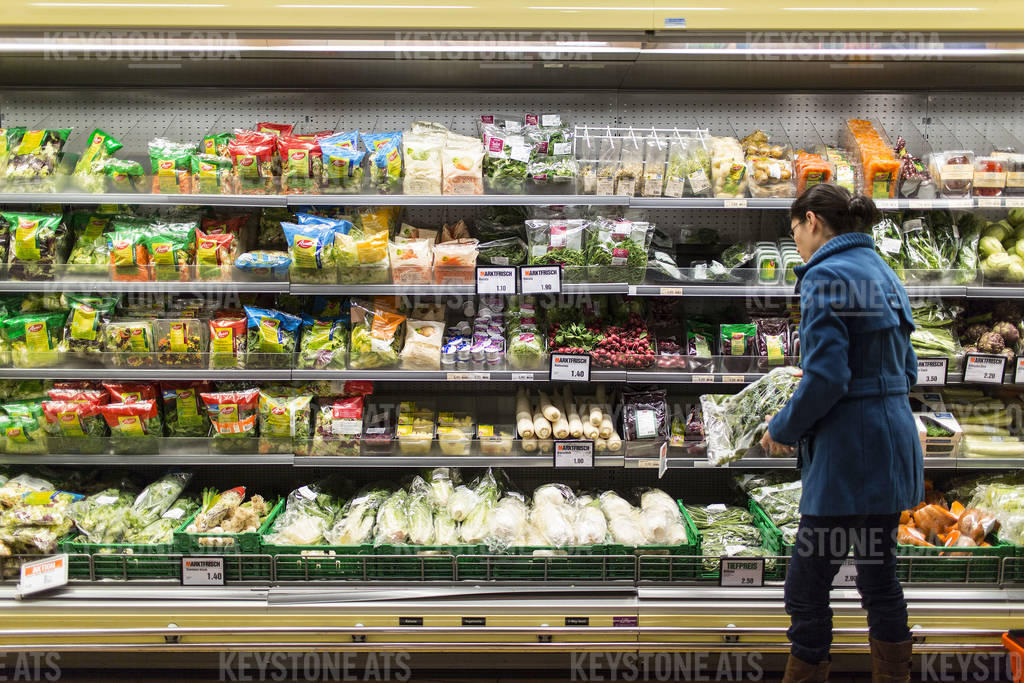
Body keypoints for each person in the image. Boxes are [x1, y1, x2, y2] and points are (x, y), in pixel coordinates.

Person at [760, 184, 924, 683]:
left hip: (851, 453)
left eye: (794, 231)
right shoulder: (884, 272)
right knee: (879, 579)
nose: (797, 243)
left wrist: (783, 426)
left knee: (806, 587)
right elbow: (909, 370)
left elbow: (828, 377)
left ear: (812, 221)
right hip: (892, 444)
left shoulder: (826, 275)